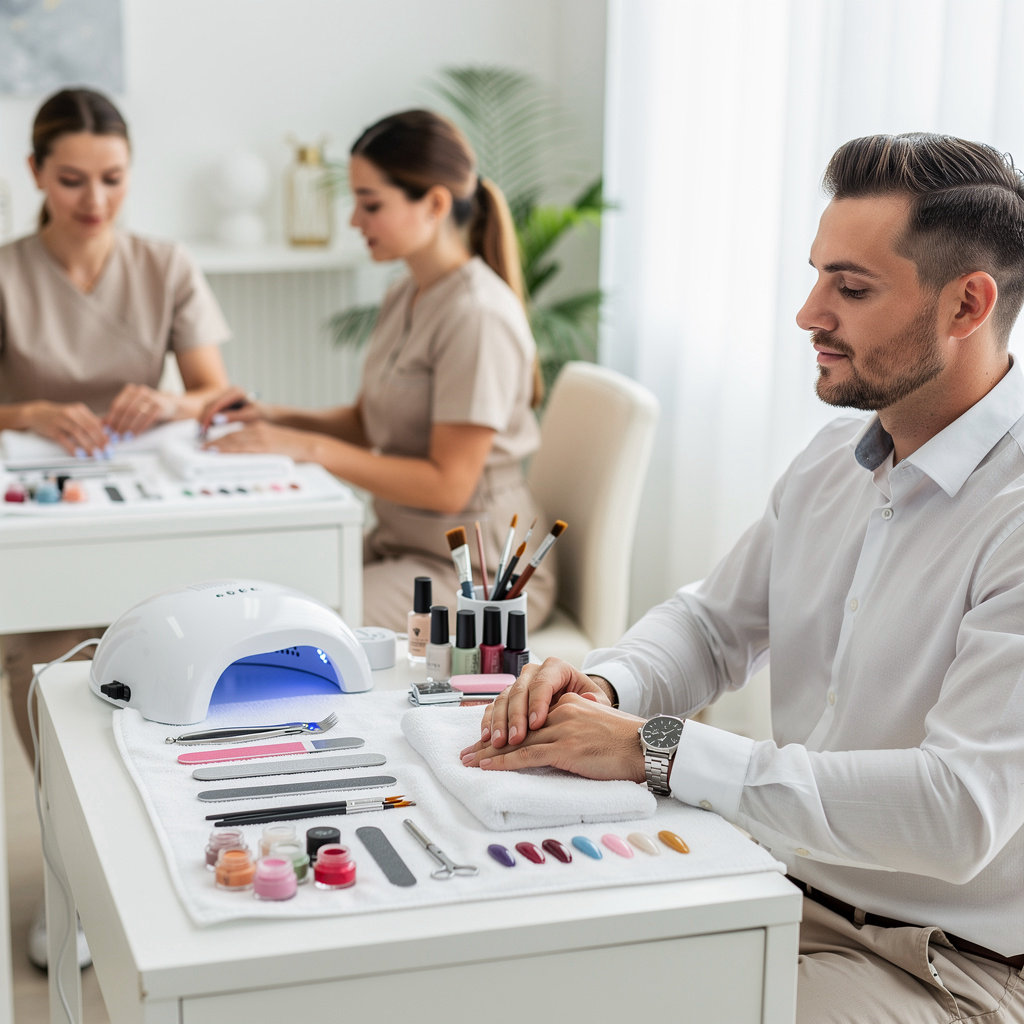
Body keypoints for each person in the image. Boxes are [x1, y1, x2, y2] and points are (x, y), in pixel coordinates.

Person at [461, 132, 1024, 1023]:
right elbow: (715, 626)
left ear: (967, 306)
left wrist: (653, 749)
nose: (808, 313)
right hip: (777, 885)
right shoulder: (834, 457)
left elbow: (957, 814)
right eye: (816, 276)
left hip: (939, 963)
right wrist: (607, 683)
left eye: (851, 287)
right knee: (510, 966)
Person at [0, 87, 231, 968]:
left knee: (162, 652)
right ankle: (73, 880)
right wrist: (28, 410)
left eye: (112, 179)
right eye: (70, 180)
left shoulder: (163, 263)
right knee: (47, 664)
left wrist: (170, 397)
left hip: (147, 511)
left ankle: (157, 865)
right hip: (44, 516)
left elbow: (216, 392)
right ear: (35, 174)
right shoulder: (7, 271)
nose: (94, 200)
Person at [199, 109, 554, 633]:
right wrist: (273, 417)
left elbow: (448, 486)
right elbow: (371, 424)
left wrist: (306, 447)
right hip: (402, 549)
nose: (354, 221)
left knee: (281, 626)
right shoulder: (407, 292)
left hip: (479, 576)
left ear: (433, 203)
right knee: (248, 594)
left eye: (370, 204)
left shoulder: (477, 315)